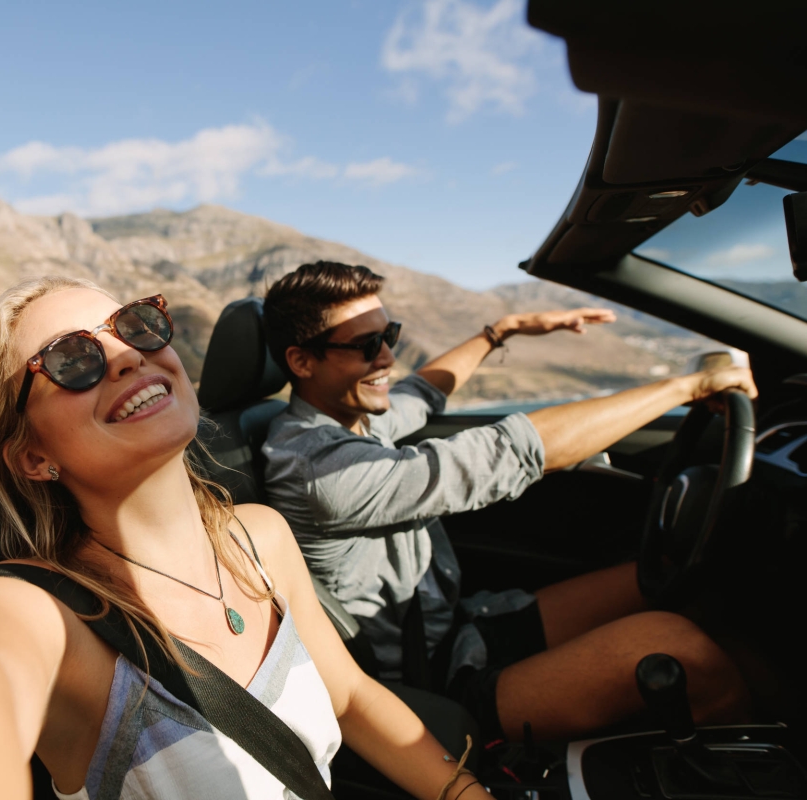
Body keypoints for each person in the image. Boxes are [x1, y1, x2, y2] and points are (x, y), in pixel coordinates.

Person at [0, 276, 494, 800]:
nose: (127, 357)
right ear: (33, 456)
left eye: (134, 326)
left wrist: (468, 794)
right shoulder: (37, 613)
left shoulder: (262, 538)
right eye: (71, 359)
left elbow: (350, 694)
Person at [260, 261, 755, 744]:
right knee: (686, 651)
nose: (388, 356)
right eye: (368, 345)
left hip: (460, 628)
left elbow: (425, 390)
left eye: (388, 333)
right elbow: (509, 453)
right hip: (428, 682)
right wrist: (686, 387)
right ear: (302, 361)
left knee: (672, 578)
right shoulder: (320, 469)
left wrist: (502, 330)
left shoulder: (348, 417)